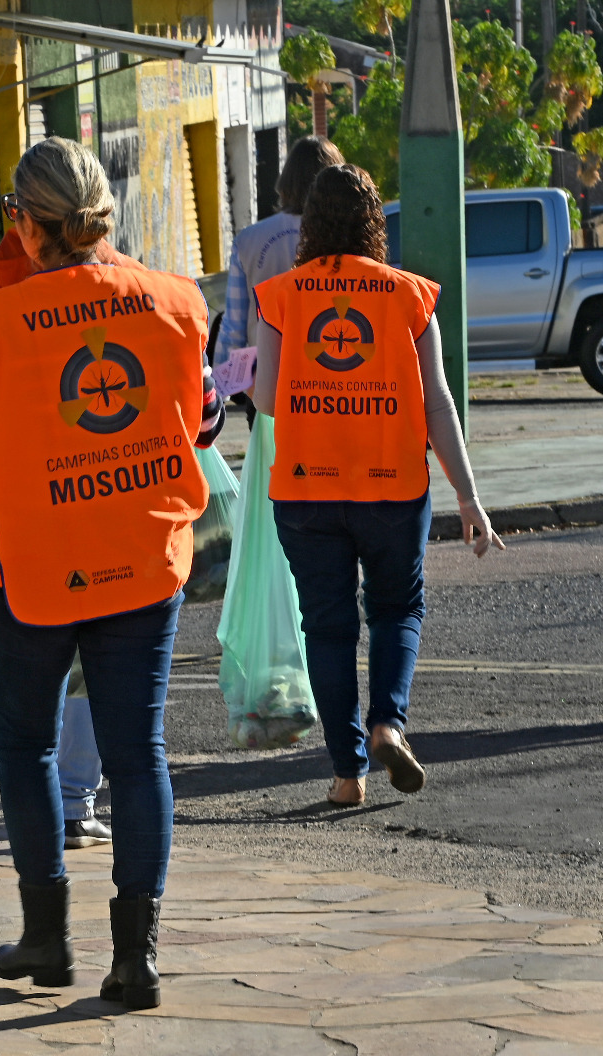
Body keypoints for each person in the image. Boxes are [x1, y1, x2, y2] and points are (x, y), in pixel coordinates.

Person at [0, 137, 224, 1008]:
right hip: (143, 559)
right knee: (137, 753)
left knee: (27, 747)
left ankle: (46, 938)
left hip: (32, 568)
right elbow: (207, 428)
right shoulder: (175, 303)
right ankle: (135, 957)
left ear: (23, 227)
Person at [252, 164, 503, 806]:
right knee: (396, 610)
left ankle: (346, 775)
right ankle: (389, 723)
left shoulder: (281, 296)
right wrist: (469, 497)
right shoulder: (409, 296)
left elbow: (265, 399)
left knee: (328, 629)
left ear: (310, 223)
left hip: (306, 491)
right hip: (393, 488)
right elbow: (439, 404)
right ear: (373, 225)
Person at [0, 227, 143, 848]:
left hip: (22, 519)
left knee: (34, 691)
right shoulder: (130, 284)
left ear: (22, 217)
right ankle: (77, 801)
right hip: (116, 510)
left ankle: (51, 828)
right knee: (107, 692)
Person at [220, 137, 345, 428]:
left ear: (286, 181)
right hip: (333, 382)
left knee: (272, 471)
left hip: (265, 384)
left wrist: (225, 384)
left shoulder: (249, 240)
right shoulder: (344, 239)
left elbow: (234, 324)